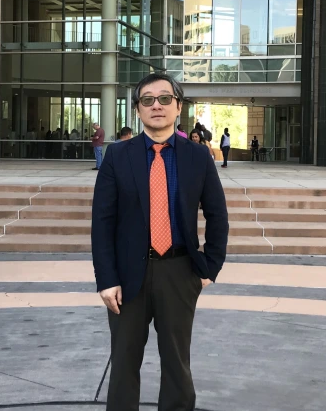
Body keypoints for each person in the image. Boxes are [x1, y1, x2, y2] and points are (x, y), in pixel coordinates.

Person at [92, 73, 229, 411]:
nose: (157, 105)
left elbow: (217, 215)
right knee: (123, 365)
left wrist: (209, 267)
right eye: (148, 100)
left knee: (177, 364)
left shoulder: (198, 157)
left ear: (178, 107)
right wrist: (107, 279)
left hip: (179, 272)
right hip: (127, 278)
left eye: (165, 99)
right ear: (137, 110)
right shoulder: (117, 156)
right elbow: (103, 222)